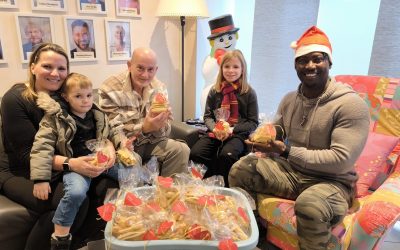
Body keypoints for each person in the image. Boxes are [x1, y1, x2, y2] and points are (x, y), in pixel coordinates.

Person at [228, 26, 370, 249]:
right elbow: (280, 130)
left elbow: (341, 159)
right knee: (240, 170)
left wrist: (285, 150)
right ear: (295, 65)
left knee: (310, 205)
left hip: (333, 181)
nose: (310, 66)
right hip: (292, 172)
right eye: (303, 61)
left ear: (329, 62)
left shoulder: (350, 105)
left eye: (317, 59)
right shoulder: (289, 99)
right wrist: (265, 136)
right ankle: (255, 237)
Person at [0, 43, 113, 250]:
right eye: (47, 66)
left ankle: (80, 243)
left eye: (61, 68)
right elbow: (26, 154)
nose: (55, 73)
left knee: (105, 186)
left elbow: (100, 122)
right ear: (33, 67)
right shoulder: (14, 99)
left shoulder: (68, 93)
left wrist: (109, 147)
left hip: (59, 167)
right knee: (72, 199)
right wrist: (72, 164)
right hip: (21, 171)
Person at [30, 73, 120, 249]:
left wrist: (120, 145)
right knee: (76, 193)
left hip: (99, 161)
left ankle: (128, 222)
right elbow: (41, 147)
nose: (85, 101)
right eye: (78, 96)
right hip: (75, 166)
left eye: (88, 95)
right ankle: (60, 239)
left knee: (132, 172)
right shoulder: (55, 118)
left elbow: (112, 132)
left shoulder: (97, 113)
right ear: (66, 97)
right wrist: (41, 178)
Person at [99, 47, 189, 177]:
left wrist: (160, 124)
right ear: (129, 65)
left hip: (151, 142)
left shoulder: (160, 88)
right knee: (133, 160)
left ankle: (167, 193)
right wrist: (144, 128)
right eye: (140, 68)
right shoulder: (110, 88)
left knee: (181, 149)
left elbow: (166, 130)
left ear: (156, 70)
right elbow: (113, 131)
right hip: (124, 147)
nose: (145, 75)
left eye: (150, 69)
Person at [190, 50, 258, 187]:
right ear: (221, 69)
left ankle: (223, 188)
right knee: (196, 153)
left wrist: (232, 129)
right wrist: (215, 128)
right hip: (215, 132)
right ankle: (202, 185)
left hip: (237, 134)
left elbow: (253, 122)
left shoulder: (249, 92)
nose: (231, 71)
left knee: (226, 156)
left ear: (242, 69)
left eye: (235, 67)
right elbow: (208, 116)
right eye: (227, 66)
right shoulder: (215, 91)